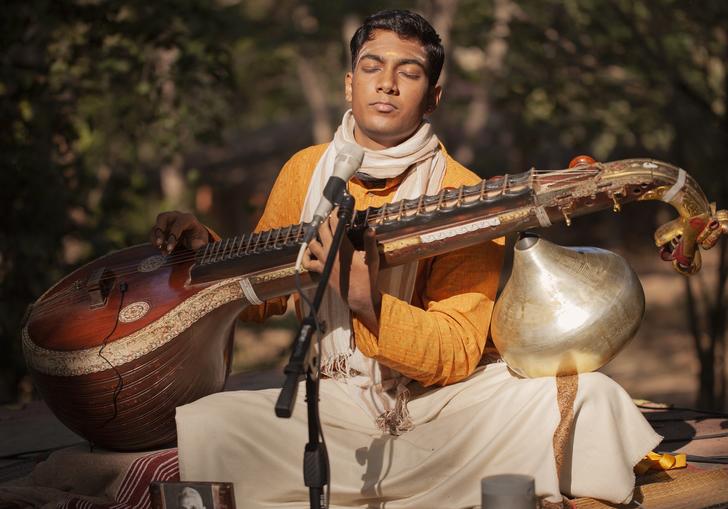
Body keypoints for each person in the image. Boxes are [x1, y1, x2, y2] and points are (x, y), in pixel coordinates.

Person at [152, 10, 661, 508]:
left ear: (433, 96)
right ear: (349, 83)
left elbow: (458, 350)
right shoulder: (306, 171)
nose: (387, 85)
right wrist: (211, 250)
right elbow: (266, 296)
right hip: (327, 399)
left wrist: (366, 301)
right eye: (372, 68)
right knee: (212, 422)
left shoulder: (464, 194)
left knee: (592, 398)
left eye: (408, 72)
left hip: (437, 407)